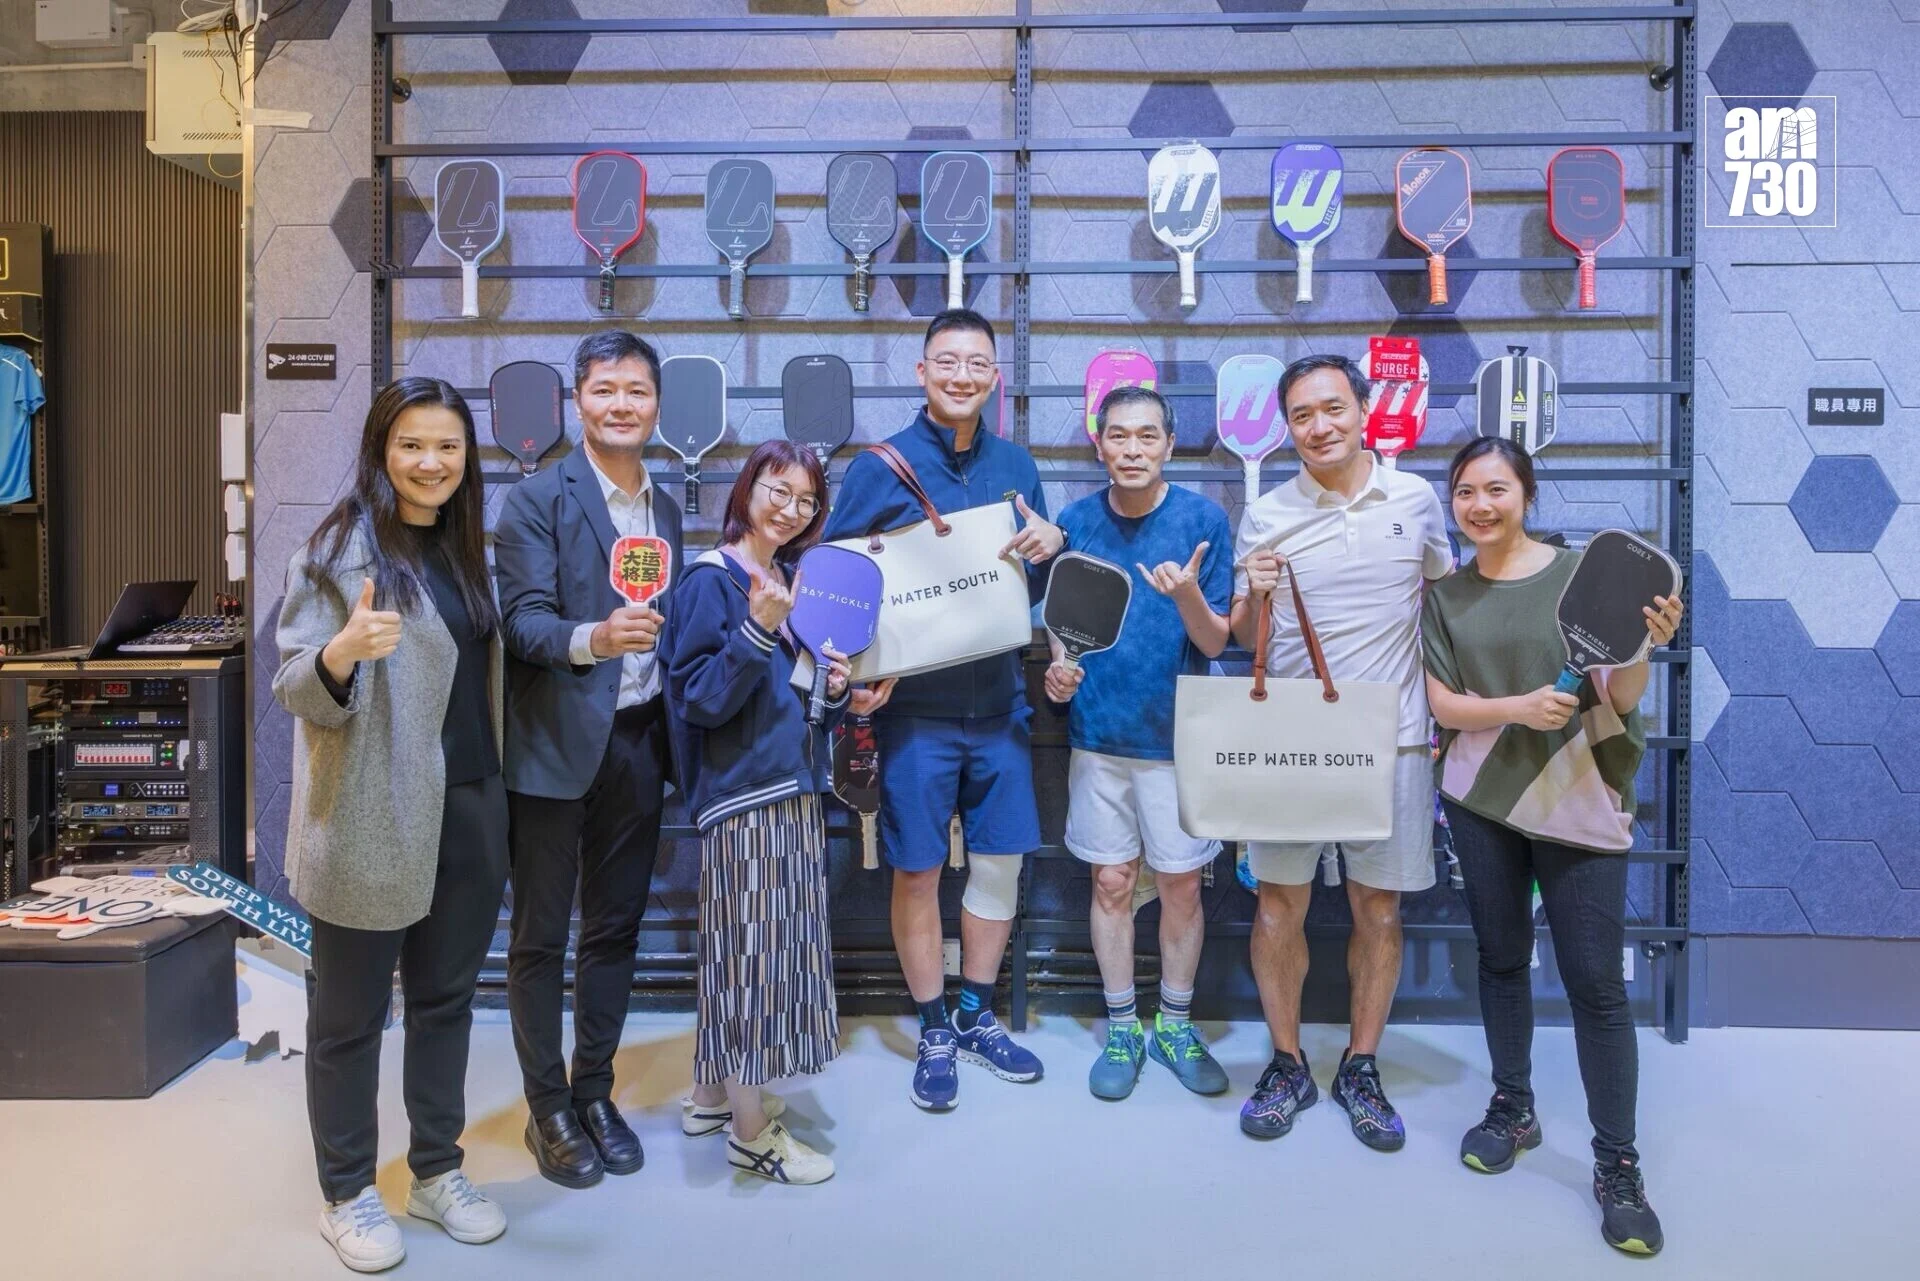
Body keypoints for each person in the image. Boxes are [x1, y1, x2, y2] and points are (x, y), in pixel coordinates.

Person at [1423, 437, 1680, 1256]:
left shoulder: (1579, 574)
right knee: (1501, 959)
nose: (1480, 505)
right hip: (1482, 797)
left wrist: (1646, 645)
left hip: (1578, 798)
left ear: (1526, 494)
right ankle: (1514, 1107)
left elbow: (1620, 694)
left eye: (1497, 488)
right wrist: (1517, 707)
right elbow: (1442, 702)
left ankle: (1617, 1164)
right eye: (1466, 491)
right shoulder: (1446, 594)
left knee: (1595, 985)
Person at [274, 378, 509, 1272]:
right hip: (372, 810)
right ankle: (346, 1191)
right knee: (348, 1017)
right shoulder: (336, 550)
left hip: (470, 804)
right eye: (412, 443)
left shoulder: (467, 547)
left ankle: (436, 1170)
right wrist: (339, 654)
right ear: (381, 448)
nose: (430, 461)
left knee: (447, 1001)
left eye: (447, 445)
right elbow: (293, 684)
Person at [820, 308, 1065, 1111]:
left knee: (999, 862)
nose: (963, 375)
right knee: (918, 868)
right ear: (922, 371)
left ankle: (975, 1013)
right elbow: (836, 580)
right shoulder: (878, 466)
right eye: (948, 361)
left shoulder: (1017, 465)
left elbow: (1026, 588)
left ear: (995, 377)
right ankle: (932, 1026)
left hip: (1000, 704)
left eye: (978, 363)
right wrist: (856, 672)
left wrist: (1050, 548)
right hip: (913, 714)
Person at [1230, 353, 1451, 1149]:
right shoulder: (1266, 513)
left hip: (1395, 739)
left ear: (1362, 410)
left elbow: (1442, 599)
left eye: (1333, 408)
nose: (1319, 426)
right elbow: (1244, 637)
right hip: (1293, 740)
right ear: (1287, 427)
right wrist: (1254, 592)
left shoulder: (1416, 499)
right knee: (1276, 905)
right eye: (1301, 415)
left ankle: (1361, 1065)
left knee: (1378, 907)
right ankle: (1286, 1063)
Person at [662, 440, 895, 1184]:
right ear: (747, 488)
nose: (791, 509)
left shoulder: (787, 582)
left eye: (806, 500)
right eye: (778, 490)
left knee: (747, 952)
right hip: (743, 802)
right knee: (756, 964)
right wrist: (758, 627)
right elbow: (698, 700)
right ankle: (750, 1134)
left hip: (787, 787)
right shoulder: (713, 580)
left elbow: (783, 700)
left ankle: (709, 1097)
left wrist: (837, 689)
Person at [493, 332, 683, 1188]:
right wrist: (596, 638)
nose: (621, 405)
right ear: (578, 401)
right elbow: (522, 622)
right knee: (539, 936)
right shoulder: (537, 498)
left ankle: (594, 1090)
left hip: (639, 740)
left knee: (614, 928)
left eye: (637, 391)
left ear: (656, 405)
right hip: (552, 744)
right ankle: (547, 1108)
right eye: (605, 389)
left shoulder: (664, 508)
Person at [1043, 386, 1234, 1101]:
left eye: (1146, 436)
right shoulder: (1075, 523)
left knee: (1181, 884)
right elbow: (1064, 626)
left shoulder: (1203, 520)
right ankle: (1123, 1025)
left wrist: (1186, 594)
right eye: (1118, 436)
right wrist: (1061, 670)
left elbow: (1215, 640)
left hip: (1179, 740)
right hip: (1098, 738)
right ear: (1099, 445)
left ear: (1169, 444)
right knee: (1112, 883)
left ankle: (1175, 1024)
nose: (1131, 449)